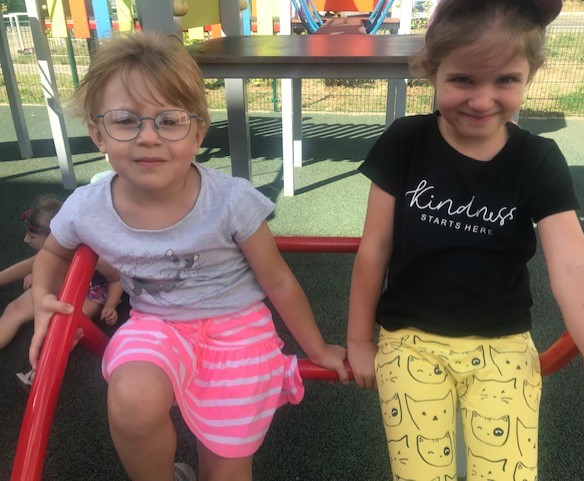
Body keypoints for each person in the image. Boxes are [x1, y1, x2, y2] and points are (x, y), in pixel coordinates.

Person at [28, 32, 349, 481]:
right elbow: (53, 252)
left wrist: (317, 348)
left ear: (197, 132)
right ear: (98, 134)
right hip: (156, 325)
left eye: (169, 120)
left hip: (238, 331)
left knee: (226, 471)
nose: (148, 137)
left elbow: (277, 280)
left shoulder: (230, 200)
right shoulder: (87, 206)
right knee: (133, 400)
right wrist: (43, 298)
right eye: (126, 120)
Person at [346, 1, 584, 480]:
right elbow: (375, 247)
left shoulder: (537, 160)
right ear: (433, 71)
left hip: (503, 345)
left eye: (505, 80)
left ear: (530, 75)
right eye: (463, 79)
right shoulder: (406, 142)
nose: (482, 101)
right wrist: (359, 339)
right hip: (411, 342)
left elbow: (576, 268)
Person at [0, 195, 122, 352]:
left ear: (54, 235)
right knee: (14, 309)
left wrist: (111, 305)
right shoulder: (52, 252)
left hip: (89, 292)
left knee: (63, 327)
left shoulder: (96, 258)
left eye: (31, 236)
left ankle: (47, 358)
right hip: (60, 280)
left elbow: (116, 280)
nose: (25, 240)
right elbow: (30, 265)